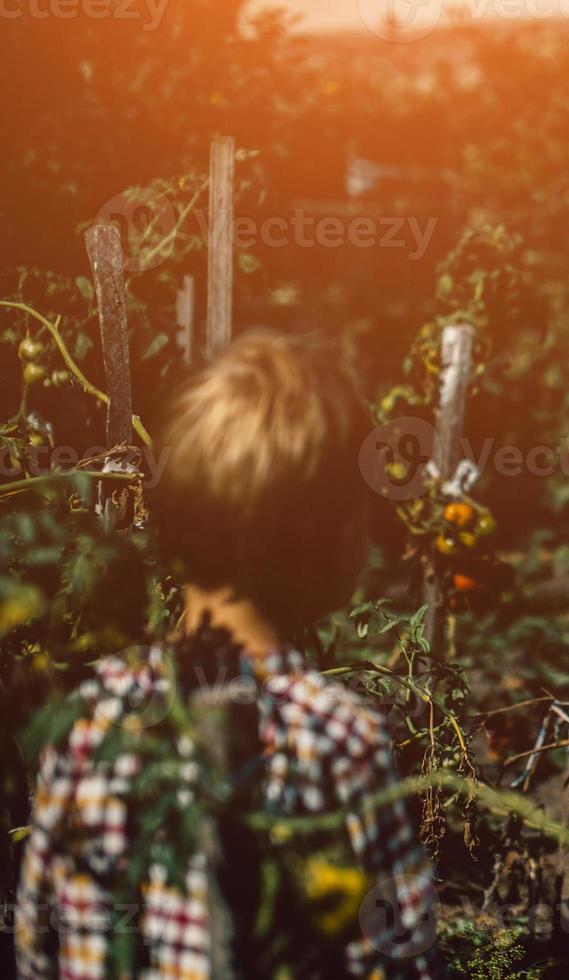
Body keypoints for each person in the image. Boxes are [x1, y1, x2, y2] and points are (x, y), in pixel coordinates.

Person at [15, 330, 442, 978]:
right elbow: (397, 960)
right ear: (335, 538)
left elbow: (37, 945)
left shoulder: (86, 720)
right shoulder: (338, 741)